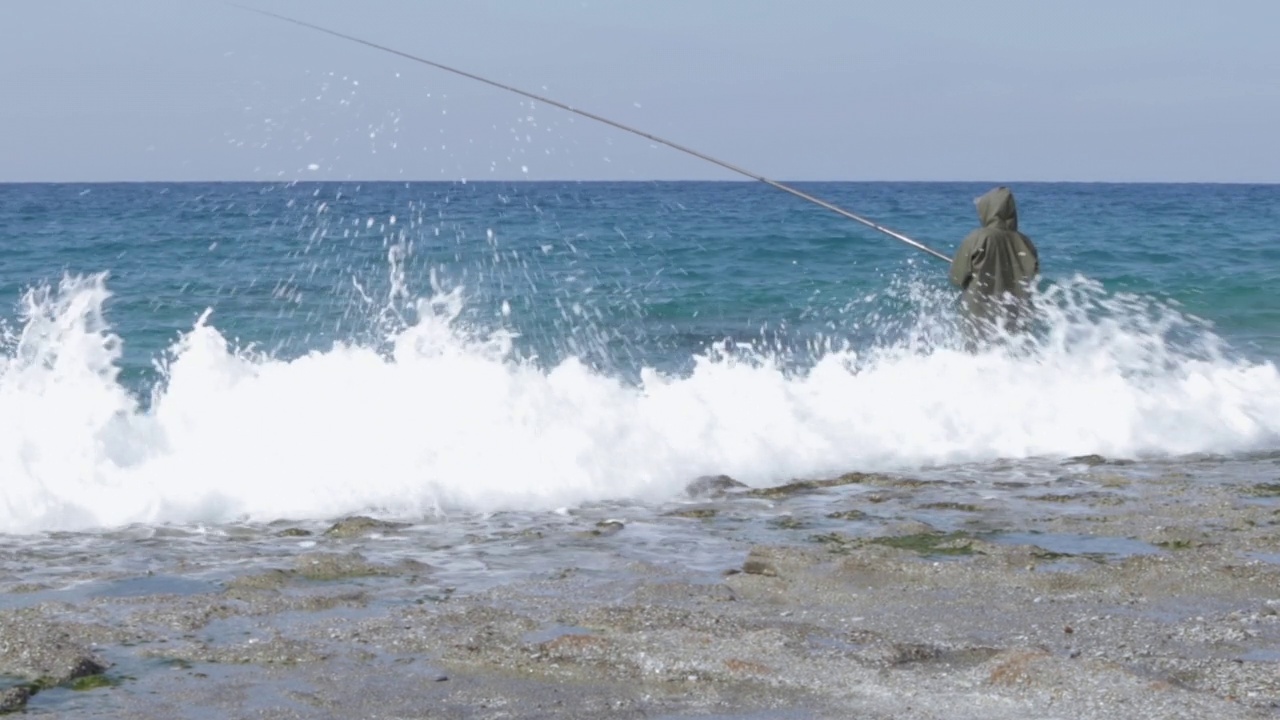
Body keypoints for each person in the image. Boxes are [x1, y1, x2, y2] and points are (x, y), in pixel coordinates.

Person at [949, 186, 1039, 340]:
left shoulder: (978, 237)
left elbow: (957, 278)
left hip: (979, 318)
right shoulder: (1027, 243)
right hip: (1016, 316)